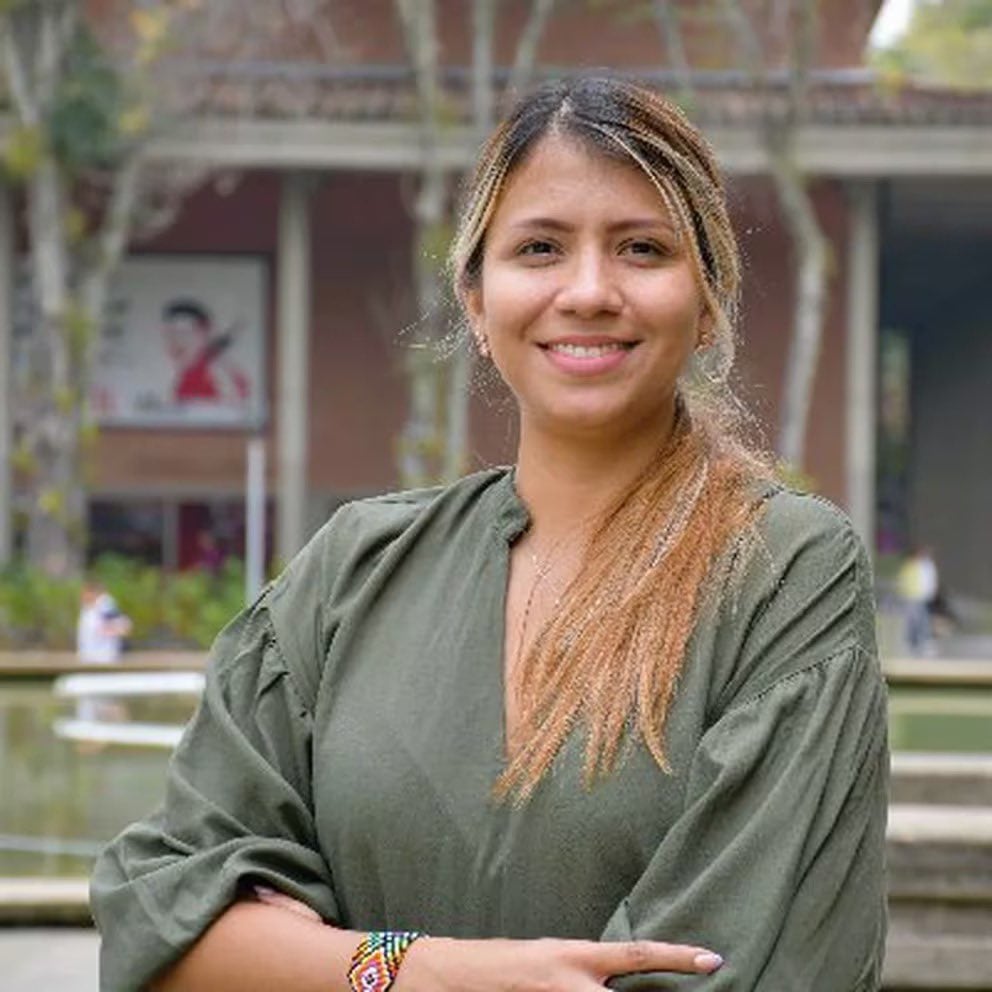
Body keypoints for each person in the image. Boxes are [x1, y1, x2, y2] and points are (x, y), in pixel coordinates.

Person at [91, 77, 888, 992]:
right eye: (540, 248)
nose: (588, 291)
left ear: (708, 300)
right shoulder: (357, 569)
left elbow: (737, 968)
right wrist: (425, 969)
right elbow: (160, 926)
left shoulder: (782, 572)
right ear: (476, 298)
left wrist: (309, 961)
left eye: (642, 248)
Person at [161, 299, 250, 407]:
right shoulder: (186, 376)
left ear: (205, 335)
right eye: (170, 335)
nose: (176, 342)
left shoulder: (220, 374)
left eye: (184, 334)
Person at [76, 579, 132, 722]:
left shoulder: (105, 604)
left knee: (105, 700)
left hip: (103, 661)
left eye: (85, 593)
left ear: (92, 592)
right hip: (90, 662)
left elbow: (124, 626)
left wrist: (108, 631)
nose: (82, 596)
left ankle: (113, 719)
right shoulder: (89, 608)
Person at [897, 544, 939, 656]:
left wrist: (929, 593)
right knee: (914, 621)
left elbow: (928, 581)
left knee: (921, 621)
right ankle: (913, 644)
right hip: (911, 597)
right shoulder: (911, 565)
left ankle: (921, 643)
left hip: (920, 597)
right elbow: (905, 581)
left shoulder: (924, 565)